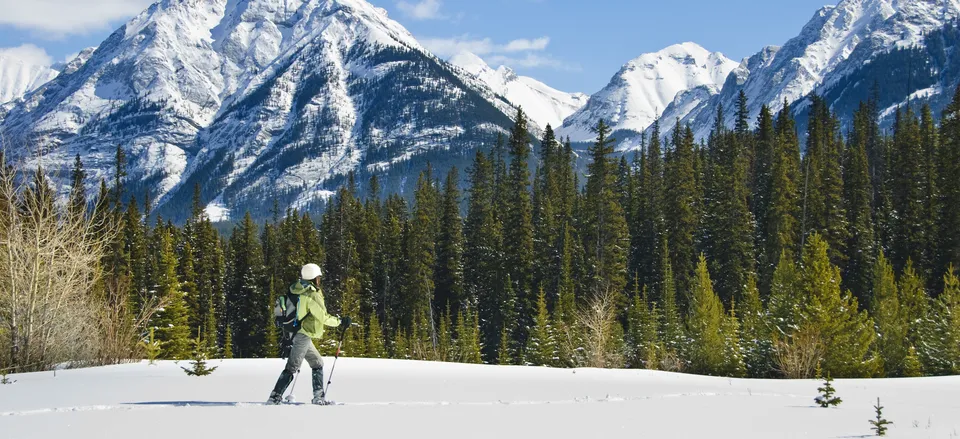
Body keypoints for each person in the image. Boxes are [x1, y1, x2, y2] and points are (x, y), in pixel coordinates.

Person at [268, 263, 350, 405]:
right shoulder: (311, 294)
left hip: (293, 332)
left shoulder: (295, 289)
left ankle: (318, 397)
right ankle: (274, 397)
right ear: (314, 278)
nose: (319, 281)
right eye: (318, 278)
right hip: (303, 334)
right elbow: (322, 317)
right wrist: (340, 321)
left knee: (317, 362)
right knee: (292, 366)